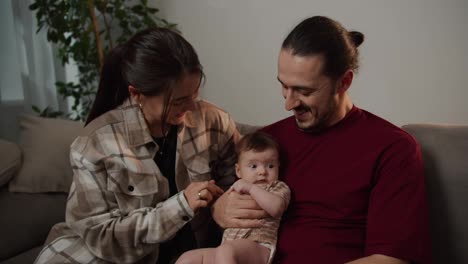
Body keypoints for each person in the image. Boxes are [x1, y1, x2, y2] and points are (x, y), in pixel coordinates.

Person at [212, 16, 432, 264]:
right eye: (284, 86)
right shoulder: (267, 143)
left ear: (344, 82)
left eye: (304, 91)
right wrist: (219, 210)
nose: (288, 103)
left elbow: (391, 259)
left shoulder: (392, 148)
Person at [34, 28, 239, 264]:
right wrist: (180, 206)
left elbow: (236, 182)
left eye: (194, 94)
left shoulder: (214, 122)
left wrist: (223, 206)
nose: (192, 107)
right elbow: (102, 238)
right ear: (137, 94)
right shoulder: (95, 145)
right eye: (179, 101)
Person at [176, 131, 290, 264]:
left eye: (270, 166)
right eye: (253, 166)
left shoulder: (276, 187)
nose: (262, 172)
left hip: (258, 246)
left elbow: (277, 208)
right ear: (238, 171)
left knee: (226, 251)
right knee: (188, 258)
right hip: (227, 249)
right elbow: (220, 211)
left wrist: (251, 188)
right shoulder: (236, 188)